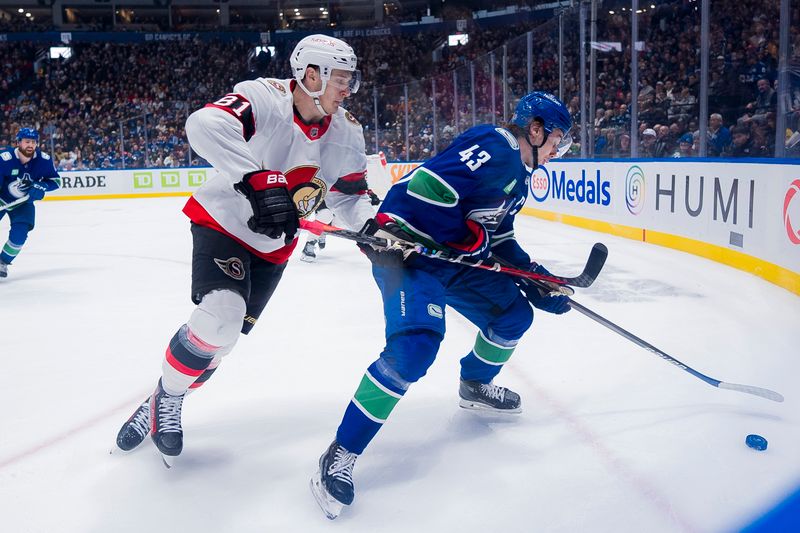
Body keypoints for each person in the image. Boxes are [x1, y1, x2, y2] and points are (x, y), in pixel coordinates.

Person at [310, 92, 573, 519]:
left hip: (450, 260)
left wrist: (537, 278)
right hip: (407, 253)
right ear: (536, 129)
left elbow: (499, 237)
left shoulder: (519, 178)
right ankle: (341, 452)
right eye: (557, 138)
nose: (558, 150)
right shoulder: (494, 144)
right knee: (413, 351)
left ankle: (474, 385)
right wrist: (411, 233)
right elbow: (428, 185)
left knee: (513, 315)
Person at [114, 34, 376, 465]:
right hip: (224, 221)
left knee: (222, 340)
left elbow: (348, 195)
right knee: (220, 316)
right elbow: (203, 124)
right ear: (311, 75)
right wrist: (257, 178)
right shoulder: (264, 97)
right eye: (342, 79)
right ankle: (170, 401)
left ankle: (161, 397)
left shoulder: (346, 132)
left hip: (273, 246)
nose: (349, 89)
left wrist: (371, 229)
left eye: (351, 79)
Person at [0, 128, 62, 278]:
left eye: (33, 142)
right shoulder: (4, 158)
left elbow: (56, 181)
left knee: (19, 236)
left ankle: (3, 262)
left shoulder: (43, 160)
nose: (31, 145)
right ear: (18, 142)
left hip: (23, 203)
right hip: (2, 198)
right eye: (27, 141)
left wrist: (43, 186)